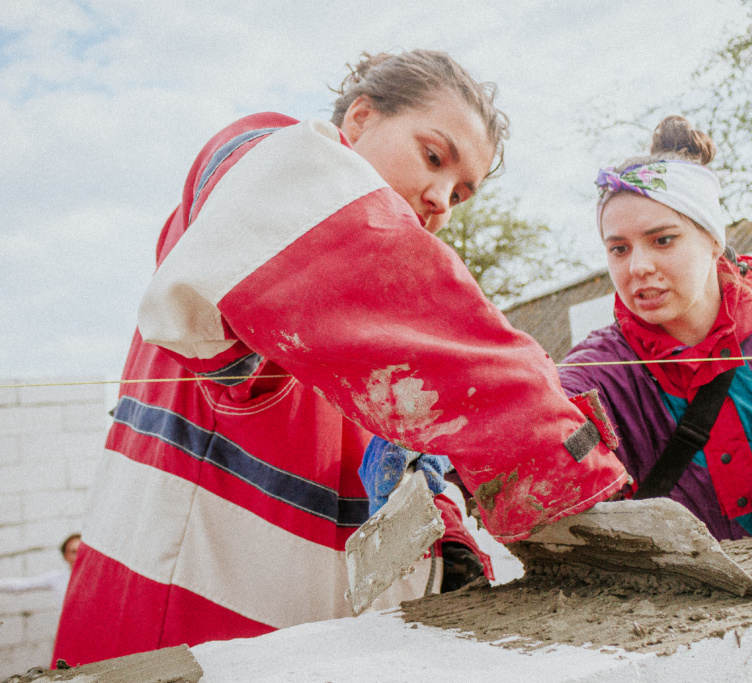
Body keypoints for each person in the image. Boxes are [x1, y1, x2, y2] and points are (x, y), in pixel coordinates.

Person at [53, 50, 627, 667]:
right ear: (358, 119)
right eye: (433, 156)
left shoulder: (363, 336)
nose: (441, 199)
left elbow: (372, 483)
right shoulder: (257, 168)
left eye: (462, 193)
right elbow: (355, 247)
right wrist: (567, 458)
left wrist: (449, 545)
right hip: (170, 646)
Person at [558, 116, 752, 541]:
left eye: (663, 240)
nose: (638, 267)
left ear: (711, 238)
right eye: (618, 248)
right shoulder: (599, 371)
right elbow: (532, 420)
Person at [0, 534, 81, 604]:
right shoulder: (58, 577)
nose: (78, 555)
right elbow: (23, 584)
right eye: (73, 552)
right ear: (65, 556)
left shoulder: (93, 576)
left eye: (81, 551)